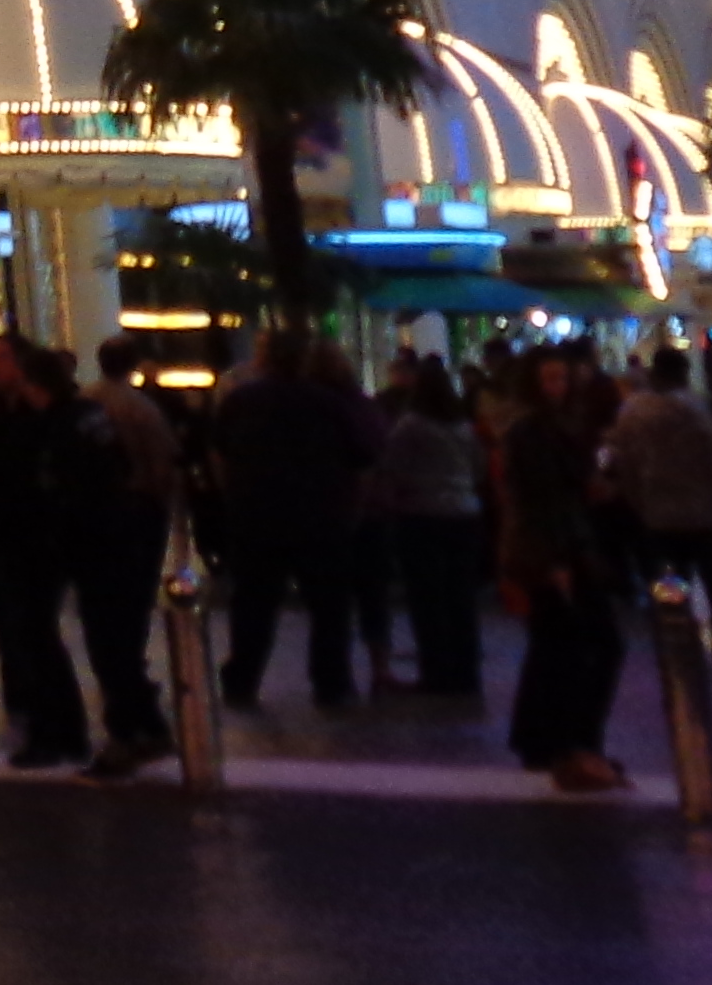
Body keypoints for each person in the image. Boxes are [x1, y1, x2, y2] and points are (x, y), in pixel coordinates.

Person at [495, 336, 630, 793]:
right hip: (558, 549)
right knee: (586, 646)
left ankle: (551, 742)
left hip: (562, 545)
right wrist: (556, 559)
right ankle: (573, 744)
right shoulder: (536, 430)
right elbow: (542, 499)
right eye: (549, 379)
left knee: (559, 647)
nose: (558, 386)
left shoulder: (552, 427)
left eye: (562, 378)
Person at [215, 331, 366, 713]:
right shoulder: (328, 404)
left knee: (253, 606)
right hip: (320, 519)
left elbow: (218, 451)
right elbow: (361, 458)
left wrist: (232, 495)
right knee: (329, 609)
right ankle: (331, 684)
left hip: (256, 518)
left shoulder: (241, 402)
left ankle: (242, 680)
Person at [0, 335, 95, 771]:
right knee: (28, 636)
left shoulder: (39, 415)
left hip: (35, 537)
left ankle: (55, 731)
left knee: (36, 635)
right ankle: (60, 727)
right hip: (3, 534)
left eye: (3, 358)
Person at [603, 348, 712, 714]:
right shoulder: (695, 411)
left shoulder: (632, 412)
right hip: (707, 522)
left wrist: (643, 507)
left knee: (670, 603)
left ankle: (680, 677)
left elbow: (624, 467)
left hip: (659, 526)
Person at [78, 341, 179, 777]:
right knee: (127, 625)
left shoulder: (87, 403)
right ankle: (140, 721)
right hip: (136, 516)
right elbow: (162, 466)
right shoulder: (142, 410)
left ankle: (134, 723)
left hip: (99, 520)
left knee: (109, 629)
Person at [372, 351, 488, 698]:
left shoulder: (412, 426)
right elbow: (479, 468)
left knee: (428, 598)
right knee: (461, 598)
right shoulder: (463, 426)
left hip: (422, 515)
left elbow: (392, 467)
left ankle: (436, 671)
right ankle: (466, 672)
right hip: (464, 513)